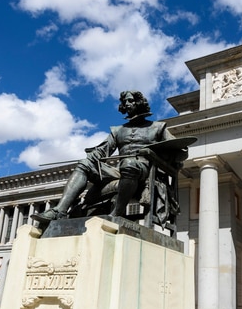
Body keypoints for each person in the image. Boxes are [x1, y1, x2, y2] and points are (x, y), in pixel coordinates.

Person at [31, 90, 184, 223]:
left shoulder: (158, 127)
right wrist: (93, 156)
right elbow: (103, 150)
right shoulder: (118, 131)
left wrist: (164, 156)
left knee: (129, 164)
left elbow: (181, 151)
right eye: (125, 102)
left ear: (139, 103)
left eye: (131, 100)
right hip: (120, 170)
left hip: (144, 171)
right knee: (85, 163)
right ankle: (60, 211)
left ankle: (116, 212)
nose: (127, 104)